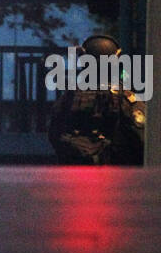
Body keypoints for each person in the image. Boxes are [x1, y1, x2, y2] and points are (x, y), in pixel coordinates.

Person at [48, 34, 146, 165]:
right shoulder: (125, 98)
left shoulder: (69, 97)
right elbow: (143, 140)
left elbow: (54, 134)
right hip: (117, 177)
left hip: (73, 176)